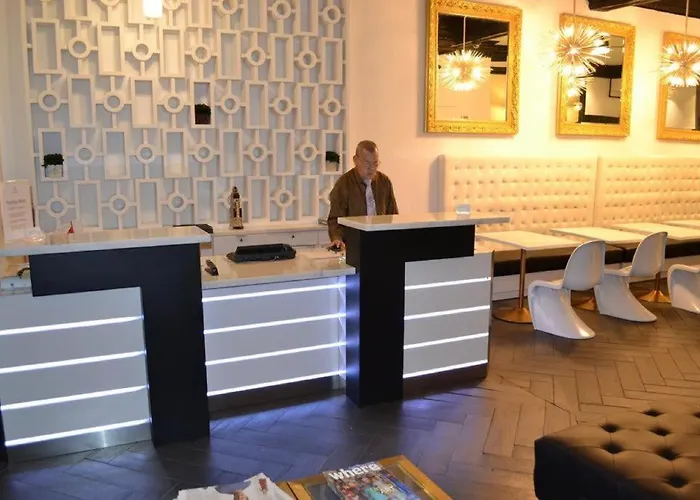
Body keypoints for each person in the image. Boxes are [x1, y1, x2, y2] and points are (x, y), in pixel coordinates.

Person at [327, 140, 399, 248]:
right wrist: (337, 238)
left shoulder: (384, 182)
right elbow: (335, 219)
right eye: (367, 163)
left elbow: (393, 214)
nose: (372, 168)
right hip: (355, 243)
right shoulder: (344, 184)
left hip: (382, 241)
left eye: (375, 163)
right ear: (355, 160)